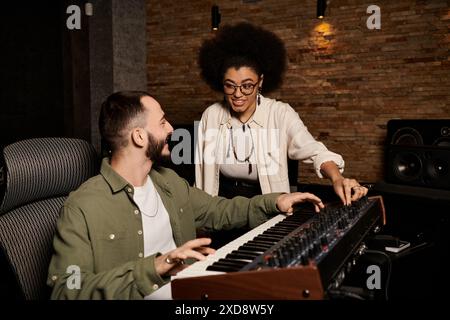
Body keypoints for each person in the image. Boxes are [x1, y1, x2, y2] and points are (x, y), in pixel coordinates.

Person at [47, 91, 324, 300]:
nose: (171, 129)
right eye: (163, 122)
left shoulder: (169, 182)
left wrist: (276, 200)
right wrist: (157, 266)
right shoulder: (83, 206)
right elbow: (64, 291)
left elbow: (219, 211)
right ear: (139, 137)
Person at [195, 22, 368, 205]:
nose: (238, 94)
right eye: (230, 85)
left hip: (269, 201)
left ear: (260, 82)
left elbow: (314, 151)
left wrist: (337, 178)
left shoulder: (280, 113)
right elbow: (201, 172)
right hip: (223, 203)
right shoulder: (212, 115)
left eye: (247, 86)